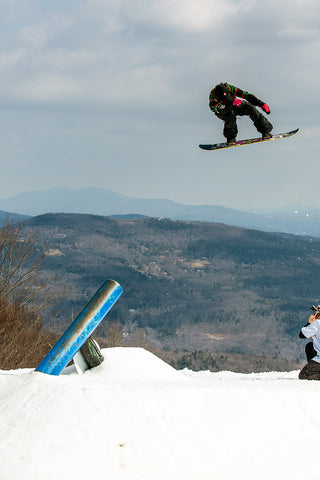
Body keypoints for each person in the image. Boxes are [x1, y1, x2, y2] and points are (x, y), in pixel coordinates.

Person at [298, 308, 320, 380]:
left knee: (304, 376)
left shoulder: (317, 323)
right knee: (310, 346)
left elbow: (302, 335)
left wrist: (310, 322)